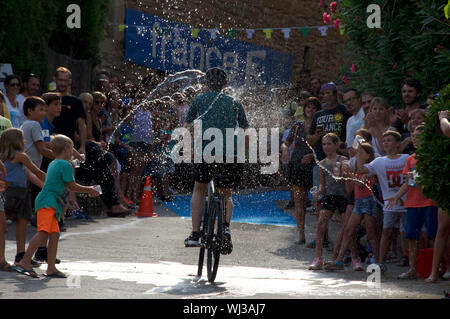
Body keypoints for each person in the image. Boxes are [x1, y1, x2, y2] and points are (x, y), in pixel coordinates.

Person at [183, 67, 249, 254]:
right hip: (231, 154)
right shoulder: (235, 102)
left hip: (206, 152)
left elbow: (187, 127)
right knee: (226, 194)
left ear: (205, 84)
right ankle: (226, 227)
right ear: (225, 85)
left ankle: (195, 234)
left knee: (199, 188)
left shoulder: (198, 100)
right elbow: (245, 130)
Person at [15, 135, 101, 278]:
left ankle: (51, 268)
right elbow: (71, 186)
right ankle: (24, 261)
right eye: (72, 149)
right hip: (48, 202)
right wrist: (89, 189)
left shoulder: (54, 163)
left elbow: (60, 187)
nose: (73, 153)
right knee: (44, 232)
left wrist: (62, 207)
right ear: (67, 149)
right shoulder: (65, 164)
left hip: (49, 202)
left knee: (54, 234)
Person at [386, 125, 438, 279]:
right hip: (412, 203)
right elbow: (408, 182)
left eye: (418, 136)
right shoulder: (410, 159)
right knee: (410, 235)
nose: (415, 139)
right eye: (414, 136)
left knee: (434, 235)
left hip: (429, 201)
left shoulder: (433, 156)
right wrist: (396, 196)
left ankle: (443, 267)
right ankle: (413, 268)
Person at [357, 130, 409, 273]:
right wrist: (360, 152)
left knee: (407, 233)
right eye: (384, 140)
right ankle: (380, 261)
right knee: (386, 232)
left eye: (389, 140)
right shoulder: (379, 161)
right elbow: (361, 170)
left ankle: (408, 259)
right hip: (389, 205)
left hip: (407, 203)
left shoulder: (406, 158)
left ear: (398, 143)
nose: (385, 143)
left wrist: (410, 140)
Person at [325, 142, 380, 270]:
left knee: (371, 234)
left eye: (361, 153)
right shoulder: (356, 169)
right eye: (357, 152)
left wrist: (349, 174)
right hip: (358, 202)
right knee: (348, 230)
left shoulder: (370, 168)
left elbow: (361, 184)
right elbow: (350, 190)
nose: (357, 155)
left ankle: (378, 261)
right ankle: (339, 261)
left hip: (368, 202)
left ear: (368, 155)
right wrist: (345, 177)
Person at [0, 128, 46, 267]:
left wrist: (43, 185)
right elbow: (35, 171)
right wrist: (50, 181)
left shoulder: (3, 157)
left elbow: (29, 175)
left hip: (6, 192)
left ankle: (17, 255)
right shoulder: (21, 156)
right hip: (18, 193)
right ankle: (20, 255)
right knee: (22, 222)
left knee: (6, 221)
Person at [281, 97, 321, 244]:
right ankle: (301, 235)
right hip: (297, 167)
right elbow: (286, 143)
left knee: (318, 202)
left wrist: (312, 155)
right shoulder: (297, 126)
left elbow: (325, 148)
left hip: (315, 168)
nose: (310, 110)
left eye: (314, 108)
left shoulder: (319, 127)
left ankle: (322, 236)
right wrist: (285, 150)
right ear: (304, 110)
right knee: (298, 202)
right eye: (308, 107)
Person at [308, 133, 350, 270]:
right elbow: (322, 185)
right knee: (321, 224)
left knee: (347, 228)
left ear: (336, 145)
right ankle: (318, 257)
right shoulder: (321, 163)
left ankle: (352, 257)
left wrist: (343, 175)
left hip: (344, 197)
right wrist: (318, 192)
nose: (326, 146)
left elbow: (349, 182)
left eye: (329, 144)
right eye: (324, 144)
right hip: (331, 196)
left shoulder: (344, 160)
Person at [307, 82, 351, 161]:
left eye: (328, 93)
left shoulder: (345, 110)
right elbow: (309, 139)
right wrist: (316, 136)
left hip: (340, 158)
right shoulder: (318, 114)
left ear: (335, 94)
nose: (326, 96)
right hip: (320, 160)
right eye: (323, 94)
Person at [52, 67, 87, 156]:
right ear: (55, 80)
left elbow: (82, 125)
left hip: (69, 145)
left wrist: (83, 146)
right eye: (60, 80)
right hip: (50, 143)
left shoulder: (76, 102)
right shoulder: (47, 98)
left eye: (65, 80)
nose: (63, 83)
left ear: (69, 81)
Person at [343, 89, 365, 158]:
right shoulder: (349, 120)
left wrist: (354, 147)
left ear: (359, 99)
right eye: (346, 101)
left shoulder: (365, 114)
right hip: (353, 159)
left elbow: (364, 137)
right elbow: (349, 146)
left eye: (351, 99)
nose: (348, 103)